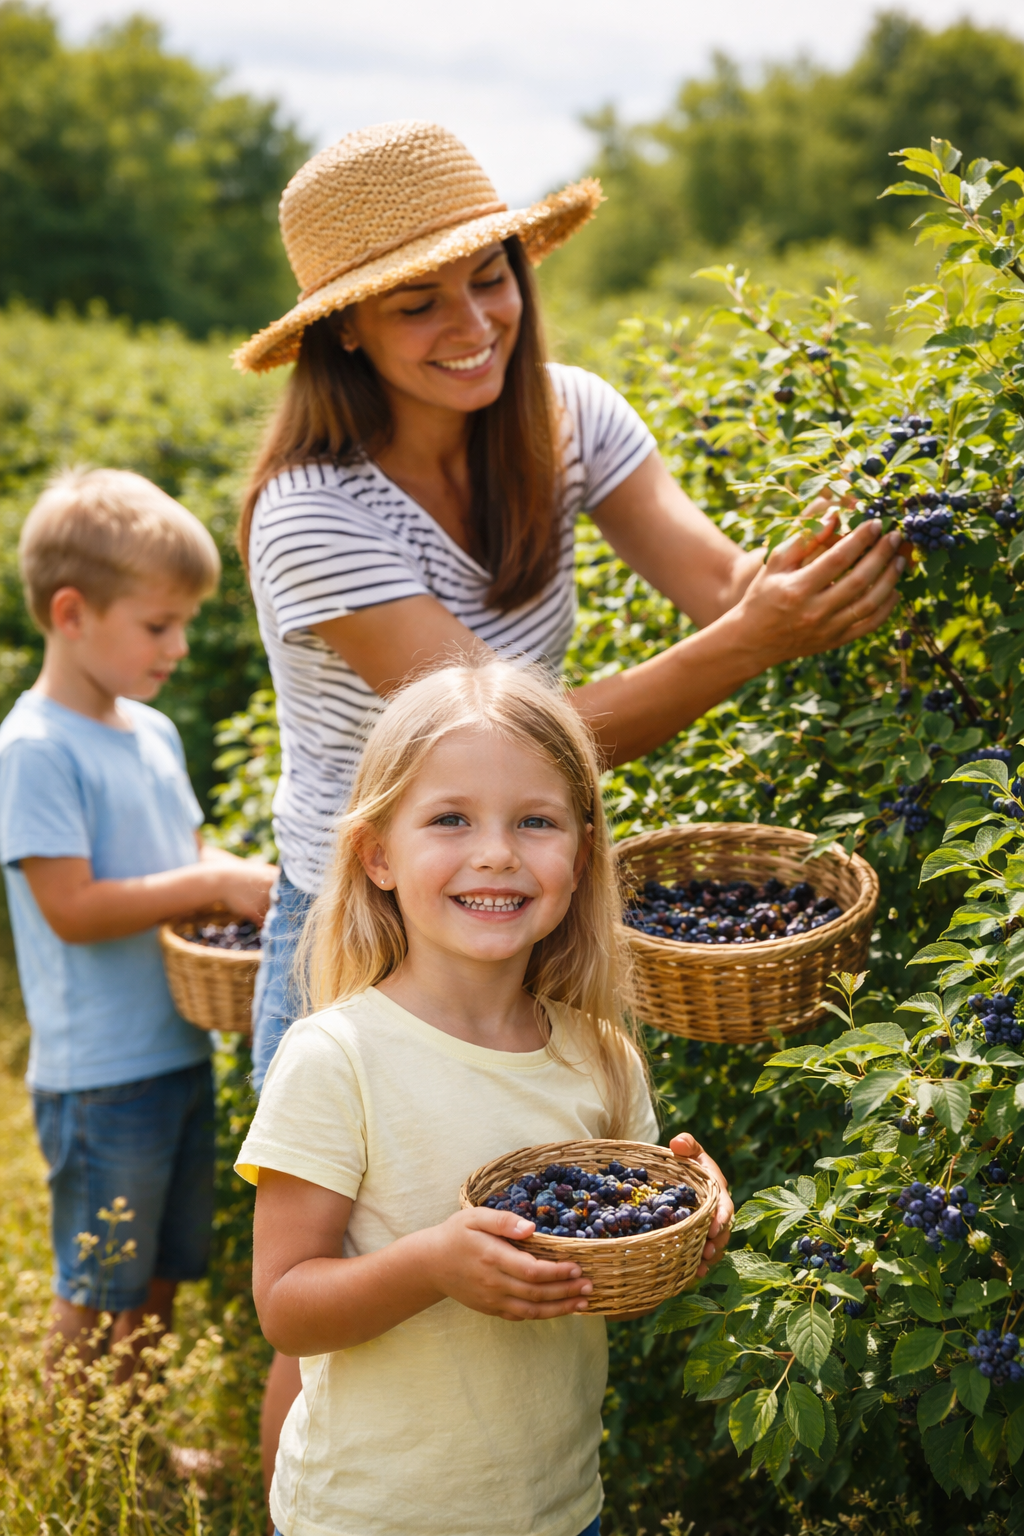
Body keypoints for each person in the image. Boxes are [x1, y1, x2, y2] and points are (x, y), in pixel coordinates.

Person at [232, 119, 904, 1471]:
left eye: (489, 276)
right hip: (361, 910)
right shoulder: (313, 514)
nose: (471, 321)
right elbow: (502, 749)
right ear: (344, 334)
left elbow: (718, 591)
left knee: (520, 1217)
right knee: (333, 1301)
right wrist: (754, 639)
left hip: (519, 884)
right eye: (414, 302)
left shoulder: (571, 416)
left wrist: (819, 565)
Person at [236, 660, 734, 1536]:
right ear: (378, 854)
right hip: (369, 1516)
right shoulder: (337, 1057)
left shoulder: (599, 1056)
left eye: (535, 821)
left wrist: (684, 1224)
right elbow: (285, 1305)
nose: (497, 852)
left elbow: (614, 1255)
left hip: (553, 1508)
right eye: (450, 819)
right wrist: (431, 1267)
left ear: (581, 856)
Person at [0, 468, 277, 1371]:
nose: (182, 648)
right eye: (160, 626)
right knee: (100, 1275)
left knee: (163, 1269)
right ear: (72, 613)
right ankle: (79, 1459)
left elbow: (184, 853)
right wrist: (212, 889)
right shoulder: (36, 749)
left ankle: (140, 1434)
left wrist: (235, 874)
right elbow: (72, 908)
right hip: (99, 1072)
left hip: (177, 1046)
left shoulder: (150, 731)